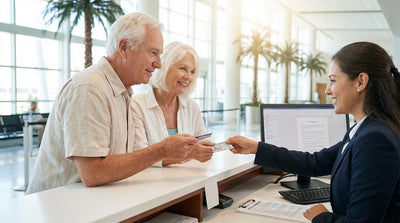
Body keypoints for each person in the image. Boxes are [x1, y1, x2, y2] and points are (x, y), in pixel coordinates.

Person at [226, 42, 400, 223]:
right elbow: (315, 162)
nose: (327, 90)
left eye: (333, 80)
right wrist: (256, 147)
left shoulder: (375, 138)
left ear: (361, 81)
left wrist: (321, 217)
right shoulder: (364, 129)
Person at [26, 13, 198, 194]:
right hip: (59, 208)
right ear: (123, 47)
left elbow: (125, 159)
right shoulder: (89, 88)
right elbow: (93, 173)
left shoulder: (121, 93)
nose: (158, 64)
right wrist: (161, 150)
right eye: (153, 53)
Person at [132, 42, 214, 166]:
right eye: (183, 69)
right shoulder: (136, 105)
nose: (188, 77)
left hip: (189, 180)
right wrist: (190, 153)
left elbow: (203, 142)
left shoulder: (192, 106)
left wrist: (205, 150)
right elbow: (138, 155)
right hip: (150, 182)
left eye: (192, 72)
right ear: (163, 67)